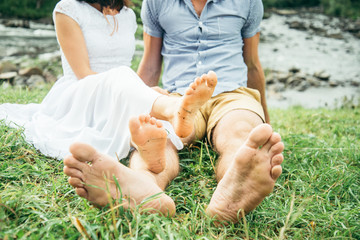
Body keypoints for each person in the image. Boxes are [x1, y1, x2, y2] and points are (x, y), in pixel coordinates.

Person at [0, 0, 217, 215]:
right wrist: (142, 91)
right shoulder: (67, 9)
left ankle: (146, 183)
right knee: (125, 79)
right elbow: (84, 73)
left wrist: (146, 91)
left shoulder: (128, 16)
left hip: (119, 92)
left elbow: (126, 81)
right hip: (80, 95)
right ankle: (173, 108)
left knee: (152, 128)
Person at [134, 0, 284, 223]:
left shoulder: (249, 3)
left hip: (232, 94)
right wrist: (139, 113)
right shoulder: (156, 2)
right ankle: (145, 186)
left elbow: (252, 63)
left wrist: (265, 126)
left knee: (240, 133)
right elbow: (150, 65)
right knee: (159, 137)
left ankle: (234, 190)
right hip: (179, 99)